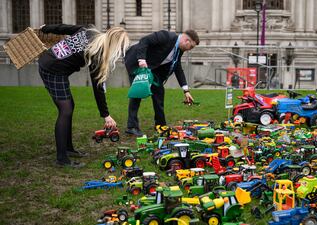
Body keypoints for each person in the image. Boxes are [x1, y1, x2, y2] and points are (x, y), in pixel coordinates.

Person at [38, 24, 130, 168]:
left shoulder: (89, 30)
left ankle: (68, 149)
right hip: (52, 69)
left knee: (68, 108)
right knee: (65, 110)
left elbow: (65, 28)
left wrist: (46, 28)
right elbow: (97, 87)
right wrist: (106, 115)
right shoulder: (97, 53)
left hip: (52, 64)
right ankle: (62, 159)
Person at [124, 30, 199, 136]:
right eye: (191, 47)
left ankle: (160, 124)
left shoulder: (179, 50)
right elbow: (144, 41)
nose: (189, 50)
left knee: (159, 92)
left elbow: (178, 68)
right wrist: (141, 59)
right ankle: (131, 126)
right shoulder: (166, 36)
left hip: (152, 69)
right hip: (136, 61)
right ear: (186, 40)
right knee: (138, 92)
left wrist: (186, 90)